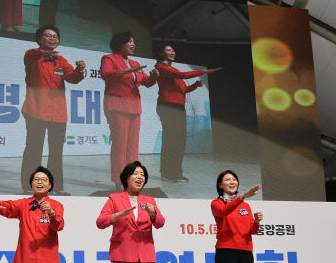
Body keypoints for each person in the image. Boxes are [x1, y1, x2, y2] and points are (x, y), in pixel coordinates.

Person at [20, 25, 86, 195]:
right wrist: (42, 53)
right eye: (48, 36)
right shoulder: (31, 55)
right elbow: (32, 55)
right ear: (40, 39)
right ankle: (30, 185)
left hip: (58, 113)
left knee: (56, 152)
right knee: (34, 149)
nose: (52, 39)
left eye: (55, 37)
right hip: (35, 110)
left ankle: (57, 186)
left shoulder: (61, 60)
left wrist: (79, 69)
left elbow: (72, 78)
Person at [153, 43, 221, 182]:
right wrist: (204, 72)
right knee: (170, 140)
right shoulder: (161, 67)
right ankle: (167, 173)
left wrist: (195, 86)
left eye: (173, 50)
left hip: (178, 107)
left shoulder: (173, 69)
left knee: (180, 141)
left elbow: (183, 90)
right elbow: (182, 75)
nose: (173, 52)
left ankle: (177, 172)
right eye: (169, 50)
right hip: (167, 106)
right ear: (161, 54)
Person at [100, 32, 159, 189]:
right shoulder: (109, 59)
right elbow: (106, 75)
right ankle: (118, 179)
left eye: (134, 42)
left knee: (133, 146)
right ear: (120, 44)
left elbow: (146, 82)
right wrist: (127, 71)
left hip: (134, 108)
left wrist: (154, 77)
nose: (133, 44)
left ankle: (131, 178)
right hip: (117, 107)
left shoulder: (134, 63)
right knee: (120, 144)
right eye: (129, 42)